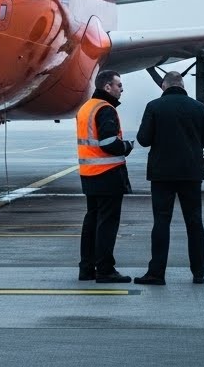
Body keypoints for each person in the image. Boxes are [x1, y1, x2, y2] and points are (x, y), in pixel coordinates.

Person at [134, 70, 204, 285]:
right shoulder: (198, 108)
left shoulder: (154, 106)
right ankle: (199, 273)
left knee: (161, 222)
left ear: (164, 86)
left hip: (162, 174)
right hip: (191, 173)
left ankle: (157, 273)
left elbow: (143, 140)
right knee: (194, 223)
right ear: (183, 85)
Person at [76, 69, 136, 283]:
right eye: (119, 85)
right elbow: (109, 143)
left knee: (91, 221)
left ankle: (86, 268)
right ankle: (105, 269)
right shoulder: (105, 109)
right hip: (107, 175)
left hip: (89, 174)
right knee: (107, 224)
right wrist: (127, 146)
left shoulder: (86, 108)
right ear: (107, 87)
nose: (122, 89)